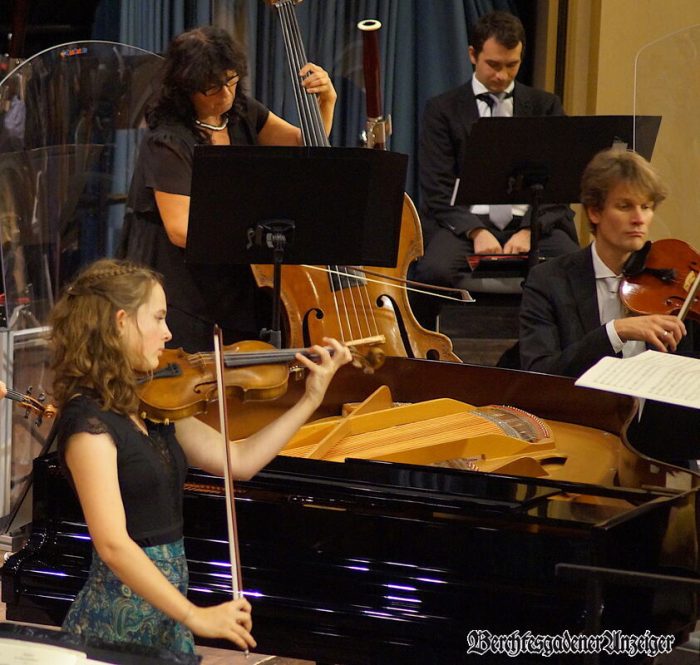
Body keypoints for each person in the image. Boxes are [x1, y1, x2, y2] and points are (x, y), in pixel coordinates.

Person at [50, 258, 351, 656]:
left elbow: (238, 460)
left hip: (167, 622)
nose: (168, 332)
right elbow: (113, 544)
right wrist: (195, 615)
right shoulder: (88, 422)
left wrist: (311, 398)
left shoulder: (151, 406)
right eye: (158, 318)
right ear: (121, 322)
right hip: (116, 627)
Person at [118, 26, 337, 352]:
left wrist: (325, 103)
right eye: (212, 89)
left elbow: (302, 147)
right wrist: (258, 232)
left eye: (231, 82)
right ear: (185, 87)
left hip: (234, 271)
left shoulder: (241, 112)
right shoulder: (167, 138)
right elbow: (181, 229)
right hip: (181, 281)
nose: (225, 95)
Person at [519, 148, 699, 465]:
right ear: (595, 212)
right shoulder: (549, 281)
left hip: (664, 453)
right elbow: (539, 375)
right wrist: (614, 332)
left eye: (646, 207)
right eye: (625, 206)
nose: (639, 218)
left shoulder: (678, 281)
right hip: (579, 446)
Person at [411, 11, 579, 327]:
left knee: (575, 266)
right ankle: (421, 353)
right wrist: (476, 230)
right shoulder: (442, 109)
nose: (502, 76)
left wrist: (531, 229)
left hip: (533, 220)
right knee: (432, 272)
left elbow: (560, 181)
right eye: (494, 65)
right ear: (473, 55)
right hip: (463, 223)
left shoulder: (545, 105)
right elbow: (436, 187)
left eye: (511, 65)